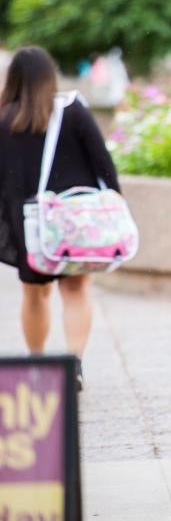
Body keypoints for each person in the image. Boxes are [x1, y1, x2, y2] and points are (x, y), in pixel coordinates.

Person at [0, 46, 121, 389]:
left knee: (34, 294)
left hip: (29, 224)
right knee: (76, 289)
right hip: (75, 222)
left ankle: (38, 365)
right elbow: (103, 164)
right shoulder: (73, 111)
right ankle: (72, 364)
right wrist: (115, 204)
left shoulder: (4, 120)